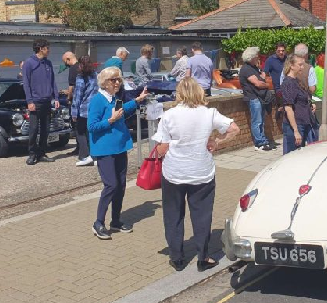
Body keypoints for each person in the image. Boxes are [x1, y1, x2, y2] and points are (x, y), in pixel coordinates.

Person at [153, 77, 240, 272]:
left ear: (179, 93)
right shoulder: (209, 113)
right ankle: (203, 257)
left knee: (173, 215)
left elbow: (161, 149)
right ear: (199, 92)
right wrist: (217, 142)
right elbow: (234, 129)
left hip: (174, 173)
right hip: (202, 172)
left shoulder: (169, 115)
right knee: (202, 215)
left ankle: (177, 258)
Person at [87, 67, 148, 240]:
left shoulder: (114, 98)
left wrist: (137, 101)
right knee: (111, 185)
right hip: (105, 150)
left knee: (120, 186)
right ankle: (98, 222)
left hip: (120, 147)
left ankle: (115, 220)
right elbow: (91, 126)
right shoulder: (98, 100)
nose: (117, 83)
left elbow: (122, 110)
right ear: (105, 83)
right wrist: (110, 121)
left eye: (119, 80)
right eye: (114, 80)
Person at [21, 39, 60, 165]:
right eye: (47, 48)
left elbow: (52, 81)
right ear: (40, 48)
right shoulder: (29, 63)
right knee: (33, 129)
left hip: (47, 101)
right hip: (35, 101)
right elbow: (26, 83)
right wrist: (29, 101)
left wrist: (56, 98)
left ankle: (42, 152)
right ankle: (32, 153)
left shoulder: (48, 63)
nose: (49, 50)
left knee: (45, 129)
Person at [239, 47, 275, 151]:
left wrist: (263, 79)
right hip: (253, 98)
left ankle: (263, 140)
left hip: (259, 98)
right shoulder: (246, 69)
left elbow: (261, 78)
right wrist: (267, 84)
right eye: (256, 56)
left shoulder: (254, 68)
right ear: (251, 57)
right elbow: (258, 84)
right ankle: (259, 143)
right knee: (257, 121)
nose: (258, 58)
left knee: (261, 121)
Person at [280, 54, 315, 154]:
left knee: (300, 156)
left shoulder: (296, 81)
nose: (302, 67)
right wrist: (295, 130)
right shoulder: (288, 83)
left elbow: (300, 100)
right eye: (300, 65)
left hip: (303, 122)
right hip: (295, 125)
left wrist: (310, 105)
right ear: (291, 65)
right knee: (291, 157)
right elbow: (288, 108)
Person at [71, 56, 98, 166]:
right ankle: (95, 155)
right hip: (95, 108)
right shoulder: (96, 75)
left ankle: (84, 155)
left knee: (80, 132)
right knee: (92, 133)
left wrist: (74, 111)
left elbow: (78, 95)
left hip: (84, 110)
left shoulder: (81, 77)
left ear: (81, 65)